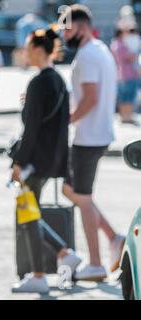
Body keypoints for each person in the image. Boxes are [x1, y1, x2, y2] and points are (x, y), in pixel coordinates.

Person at [10, 28, 81, 294]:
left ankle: (39, 274)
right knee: (31, 212)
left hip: (33, 162)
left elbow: (32, 130)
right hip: (50, 159)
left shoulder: (39, 82)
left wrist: (19, 162)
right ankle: (64, 253)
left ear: (40, 50)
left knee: (27, 215)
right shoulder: (58, 81)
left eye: (29, 49)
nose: (26, 55)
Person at [59, 5, 125, 281]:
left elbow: (90, 99)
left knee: (82, 199)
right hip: (98, 135)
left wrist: (65, 122)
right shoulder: (101, 49)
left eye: (67, 28)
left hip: (88, 138)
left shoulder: (86, 55)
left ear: (82, 26)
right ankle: (114, 238)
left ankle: (96, 263)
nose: (64, 34)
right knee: (70, 190)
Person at [111, 27, 139, 124]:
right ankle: (127, 117)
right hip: (128, 74)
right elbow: (131, 57)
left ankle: (124, 116)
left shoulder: (114, 45)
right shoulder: (121, 45)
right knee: (129, 97)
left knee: (123, 98)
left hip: (120, 75)